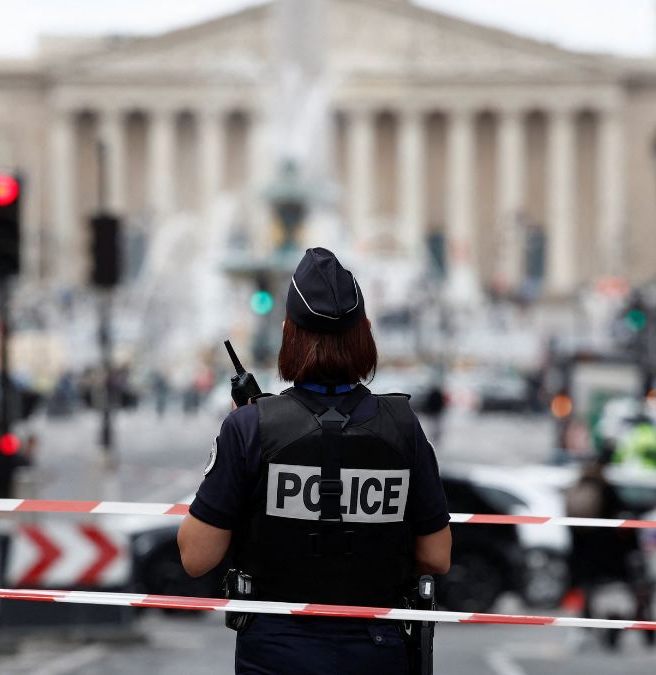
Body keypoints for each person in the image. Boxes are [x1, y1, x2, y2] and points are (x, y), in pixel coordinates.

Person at [177, 248, 451, 675]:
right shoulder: (403, 427)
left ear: (288, 332)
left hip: (275, 649)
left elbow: (196, 555)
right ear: (366, 333)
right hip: (377, 646)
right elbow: (437, 555)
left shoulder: (249, 428)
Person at [565, 459, 655, 651]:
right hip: (614, 557)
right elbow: (626, 524)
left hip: (585, 558)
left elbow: (571, 528)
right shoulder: (608, 491)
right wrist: (635, 549)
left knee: (587, 594)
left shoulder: (576, 490)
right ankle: (646, 631)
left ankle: (584, 631)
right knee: (638, 593)